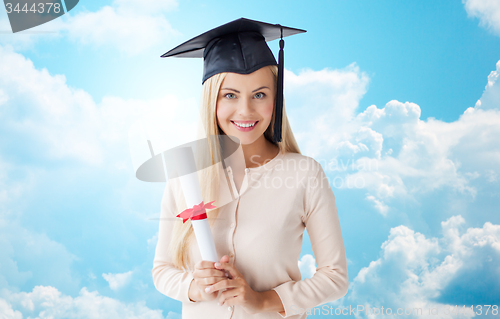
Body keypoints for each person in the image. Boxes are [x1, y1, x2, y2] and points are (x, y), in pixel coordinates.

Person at [152, 18, 348, 319]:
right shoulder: (186, 175)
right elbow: (162, 270)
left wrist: (263, 300)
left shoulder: (304, 175)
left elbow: (334, 278)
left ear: (276, 98)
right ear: (212, 101)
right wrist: (195, 287)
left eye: (259, 94)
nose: (245, 110)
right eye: (230, 95)